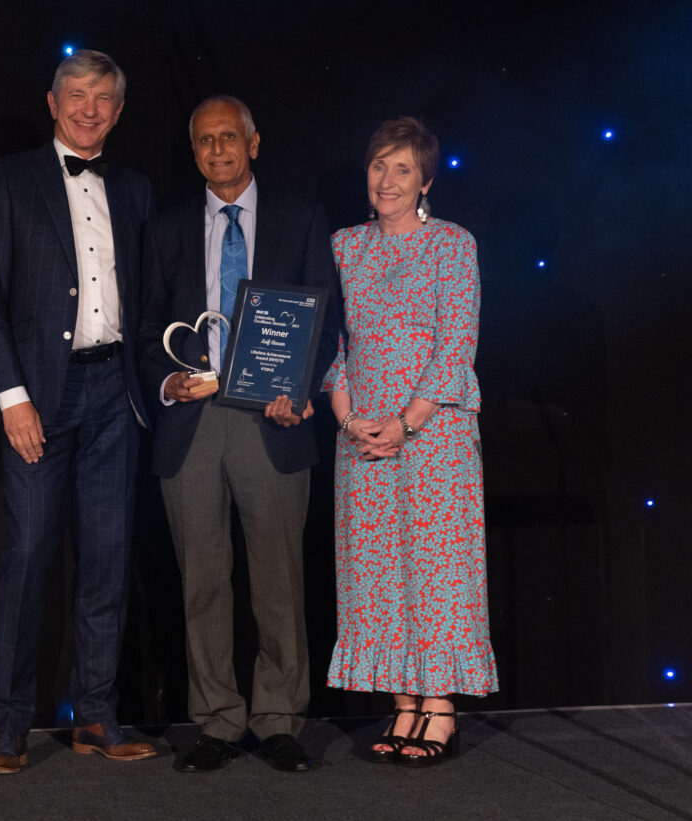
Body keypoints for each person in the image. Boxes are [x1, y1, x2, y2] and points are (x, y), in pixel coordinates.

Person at [139, 96, 339, 773]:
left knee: (279, 578)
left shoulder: (302, 219)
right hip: (191, 423)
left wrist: (300, 392)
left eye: (229, 136)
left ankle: (279, 717)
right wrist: (167, 383)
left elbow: (323, 320)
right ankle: (218, 720)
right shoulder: (165, 230)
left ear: (254, 143)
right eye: (204, 140)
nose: (217, 149)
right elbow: (147, 334)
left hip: (270, 422)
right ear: (193, 151)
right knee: (202, 578)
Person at [0, 50, 155, 773]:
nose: (88, 107)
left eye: (102, 98)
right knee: (27, 556)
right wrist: (11, 397)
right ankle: (9, 725)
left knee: (107, 561)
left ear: (117, 109)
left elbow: (146, 305)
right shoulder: (10, 180)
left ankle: (96, 714)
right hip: (39, 399)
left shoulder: (135, 188)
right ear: (52, 102)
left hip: (116, 394)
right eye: (76, 94)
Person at [324, 116, 498, 766]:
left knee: (437, 569)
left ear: (425, 180)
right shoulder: (343, 245)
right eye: (378, 166)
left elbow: (457, 344)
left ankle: (441, 707)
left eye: (402, 169)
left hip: (435, 435)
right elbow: (331, 344)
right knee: (378, 571)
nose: (387, 180)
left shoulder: (453, 245)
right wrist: (349, 419)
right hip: (362, 434)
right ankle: (402, 701)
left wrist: (407, 422)